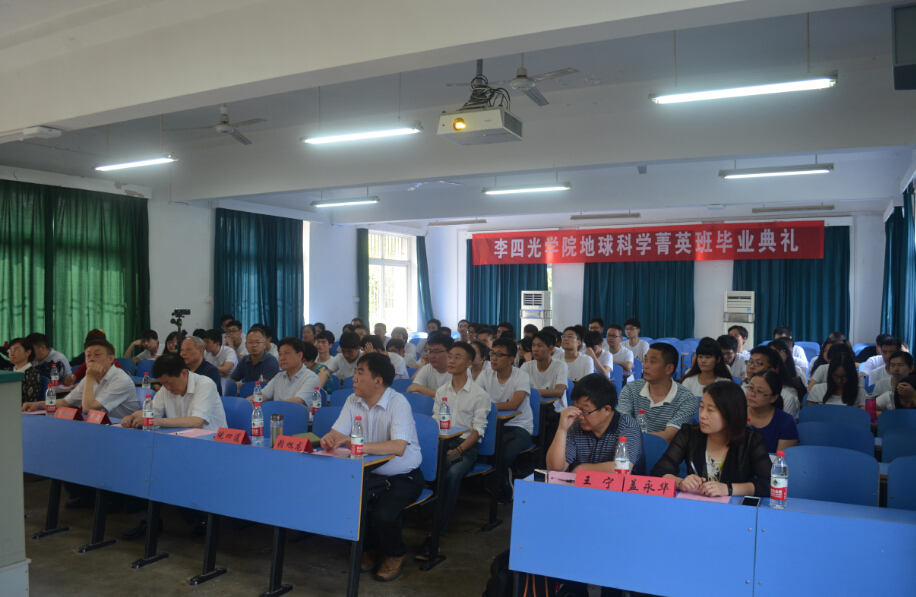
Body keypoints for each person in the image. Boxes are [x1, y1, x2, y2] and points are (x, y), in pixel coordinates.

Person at [320, 353, 423, 582]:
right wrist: (330, 439)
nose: (353, 378)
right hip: (366, 473)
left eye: (360, 373)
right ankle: (369, 548)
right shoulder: (352, 400)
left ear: (378, 381)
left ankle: (395, 553)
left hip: (403, 476)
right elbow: (338, 432)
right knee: (343, 503)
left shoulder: (398, 403)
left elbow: (398, 446)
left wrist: (355, 443)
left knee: (383, 514)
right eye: (355, 372)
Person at [416, 342, 491, 560]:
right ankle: (419, 511)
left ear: (469, 363)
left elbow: (478, 431)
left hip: (466, 447)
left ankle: (435, 533)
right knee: (416, 464)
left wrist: (458, 449)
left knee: (451, 474)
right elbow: (436, 423)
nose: (451, 360)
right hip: (443, 443)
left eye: (457, 357)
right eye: (450, 356)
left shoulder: (479, 394)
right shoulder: (442, 391)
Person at [651, 381, 771, 497]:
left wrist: (728, 489)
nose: (702, 415)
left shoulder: (752, 440)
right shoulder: (688, 434)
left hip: (735, 507)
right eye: (701, 407)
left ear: (730, 414)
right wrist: (680, 482)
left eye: (710, 410)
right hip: (696, 505)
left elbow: (770, 483)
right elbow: (658, 472)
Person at [547, 373, 645, 474]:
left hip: (624, 484)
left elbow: (622, 469)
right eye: (576, 409)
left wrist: (581, 470)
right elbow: (555, 469)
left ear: (606, 410)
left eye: (585, 411)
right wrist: (562, 429)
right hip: (585, 483)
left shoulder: (628, 426)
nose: (579, 416)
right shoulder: (576, 425)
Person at [475, 337, 533, 503]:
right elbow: (475, 401)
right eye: (492, 353)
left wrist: (488, 406)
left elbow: (514, 404)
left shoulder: (521, 376)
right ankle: (485, 483)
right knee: (474, 446)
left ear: (510, 359)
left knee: (503, 453)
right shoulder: (485, 375)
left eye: (499, 355)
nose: (493, 358)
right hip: (492, 425)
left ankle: (503, 482)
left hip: (519, 427)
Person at [24, 339, 137, 419]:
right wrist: (38, 404)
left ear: (110, 358)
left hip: (125, 430)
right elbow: (66, 402)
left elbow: (88, 409)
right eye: (88, 356)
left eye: (97, 355)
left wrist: (89, 376)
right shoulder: (90, 377)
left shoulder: (121, 380)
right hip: (101, 425)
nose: (91, 359)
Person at [121, 353, 226, 430]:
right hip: (181, 438)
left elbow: (197, 422)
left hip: (211, 441)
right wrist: (133, 417)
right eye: (163, 384)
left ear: (183, 373)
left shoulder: (205, 384)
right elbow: (153, 412)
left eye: (169, 382)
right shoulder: (165, 388)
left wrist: (155, 421)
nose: (167, 387)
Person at [616, 342, 698, 442]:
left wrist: (631, 436)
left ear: (669, 369)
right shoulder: (631, 388)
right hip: (630, 449)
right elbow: (621, 424)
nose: (645, 366)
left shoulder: (687, 400)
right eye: (645, 360)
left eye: (652, 362)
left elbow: (669, 436)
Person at [746, 371, 799, 453]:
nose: (752, 394)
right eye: (750, 388)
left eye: (759, 391)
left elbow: (781, 459)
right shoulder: (736, 413)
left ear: (773, 398)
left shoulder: (786, 421)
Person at [258, 337, 321, 405]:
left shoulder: (311, 378)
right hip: (276, 411)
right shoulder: (278, 377)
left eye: (287, 353)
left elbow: (297, 401)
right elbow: (260, 397)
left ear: (299, 355)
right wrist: (250, 402)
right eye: (280, 354)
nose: (282, 358)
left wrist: (273, 407)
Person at [742, 346, 801, 416]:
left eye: (758, 363)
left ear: (771, 370)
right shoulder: (742, 388)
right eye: (750, 362)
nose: (751, 366)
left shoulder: (787, 397)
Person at [521, 331, 569, 412]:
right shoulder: (526, 366)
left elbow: (559, 392)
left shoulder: (560, 366)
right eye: (533, 345)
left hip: (556, 411)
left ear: (551, 349)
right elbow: (519, 391)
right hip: (532, 408)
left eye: (539, 346)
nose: (535, 349)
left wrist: (531, 392)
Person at [8, 337, 43, 403]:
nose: (11, 354)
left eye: (16, 350)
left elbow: (30, 402)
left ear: (28, 352)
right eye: (10, 350)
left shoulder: (32, 374)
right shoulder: (8, 371)